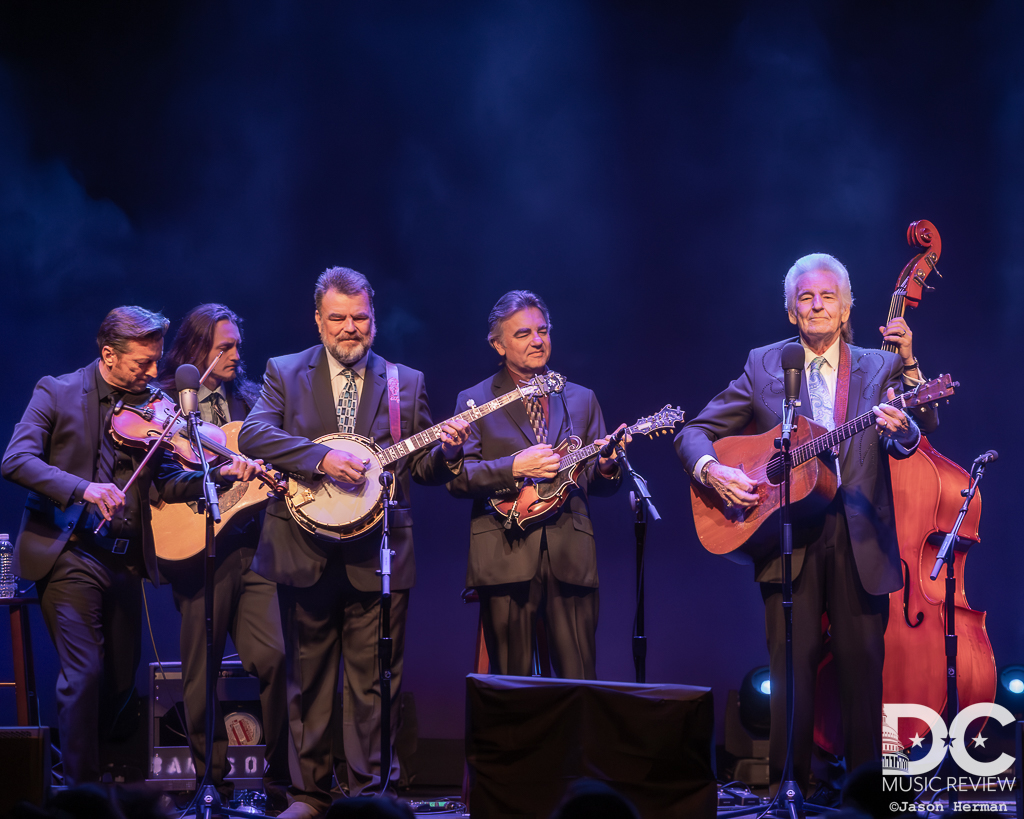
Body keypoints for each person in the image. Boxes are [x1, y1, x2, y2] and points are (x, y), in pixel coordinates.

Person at [674, 253, 937, 794]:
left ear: (846, 309)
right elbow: (694, 431)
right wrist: (714, 470)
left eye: (828, 298)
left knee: (863, 671)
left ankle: (867, 794)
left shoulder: (879, 365)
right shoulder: (764, 364)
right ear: (791, 310)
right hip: (786, 532)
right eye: (805, 298)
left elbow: (918, 427)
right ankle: (786, 791)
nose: (816, 307)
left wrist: (910, 386)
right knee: (791, 668)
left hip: (859, 532)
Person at [237, 267, 469, 817]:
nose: (350, 328)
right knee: (308, 681)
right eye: (337, 318)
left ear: (374, 319)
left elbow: (425, 465)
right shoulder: (285, 371)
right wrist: (320, 457)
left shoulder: (403, 381)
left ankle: (370, 797)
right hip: (303, 545)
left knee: (375, 683)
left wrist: (452, 450)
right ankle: (309, 794)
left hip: (379, 552)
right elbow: (254, 433)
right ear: (318, 320)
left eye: (360, 318)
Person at [1, 306, 259, 787]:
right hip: (69, 551)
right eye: (142, 363)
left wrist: (216, 474)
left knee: (121, 680)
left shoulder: (153, 409)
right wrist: (83, 488)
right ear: (108, 355)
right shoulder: (54, 392)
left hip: (123, 562)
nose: (153, 373)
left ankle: (101, 775)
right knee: (84, 674)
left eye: (156, 361)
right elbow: (16, 459)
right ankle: (83, 791)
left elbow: (165, 484)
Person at [447, 290, 624, 680]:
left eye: (543, 331)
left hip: (570, 553)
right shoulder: (474, 400)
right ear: (498, 344)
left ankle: (577, 744)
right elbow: (459, 479)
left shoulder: (580, 397)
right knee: (511, 684)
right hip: (504, 552)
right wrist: (514, 467)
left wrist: (608, 465)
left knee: (579, 679)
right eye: (523, 333)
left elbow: (597, 481)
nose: (538, 341)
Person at [156, 304, 290, 807]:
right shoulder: (166, 406)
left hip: (253, 548)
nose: (236, 355)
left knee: (273, 657)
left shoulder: (254, 402)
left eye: (237, 346)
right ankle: (206, 783)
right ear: (196, 352)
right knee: (200, 670)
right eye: (224, 347)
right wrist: (215, 476)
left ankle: (263, 780)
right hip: (197, 549)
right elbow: (160, 480)